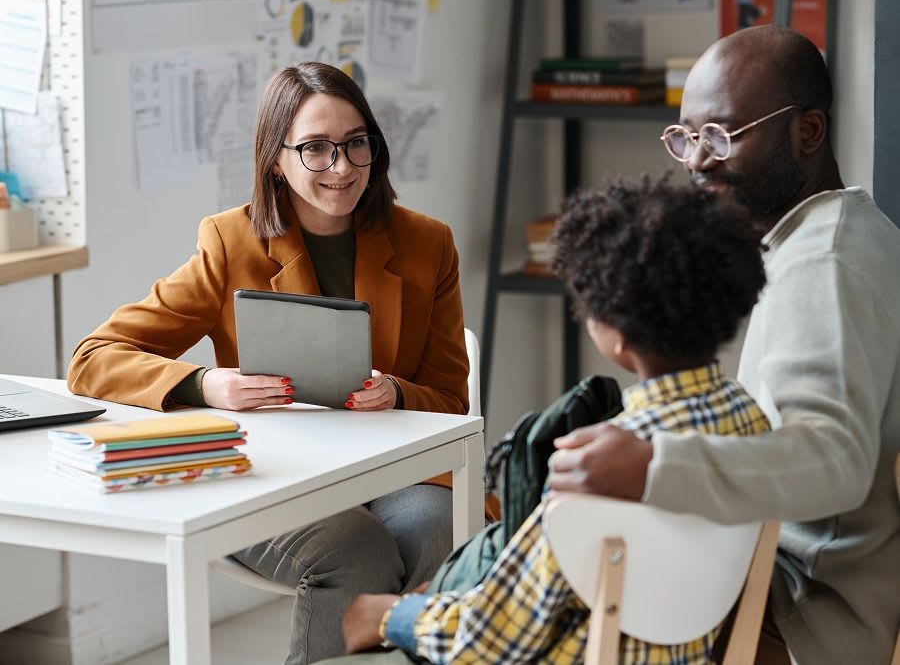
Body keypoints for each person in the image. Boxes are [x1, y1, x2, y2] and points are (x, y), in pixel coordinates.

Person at [67, 62, 470, 664]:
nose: (341, 167)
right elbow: (94, 358)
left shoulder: (426, 243)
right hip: (272, 474)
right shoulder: (231, 242)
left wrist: (400, 394)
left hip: (394, 474)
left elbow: (450, 398)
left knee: (440, 530)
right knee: (354, 550)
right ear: (275, 159)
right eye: (315, 149)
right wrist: (205, 385)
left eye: (356, 144)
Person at [548, 26, 900, 664]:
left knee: (558, 592)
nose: (696, 161)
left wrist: (654, 466)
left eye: (722, 135)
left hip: (803, 615)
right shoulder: (842, 231)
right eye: (686, 137)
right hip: (776, 572)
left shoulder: (824, 265)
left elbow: (834, 460)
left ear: (808, 133)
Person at [329, 175, 772, 664]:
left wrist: (389, 616)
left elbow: (488, 642)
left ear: (616, 332)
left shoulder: (600, 467)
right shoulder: (752, 424)